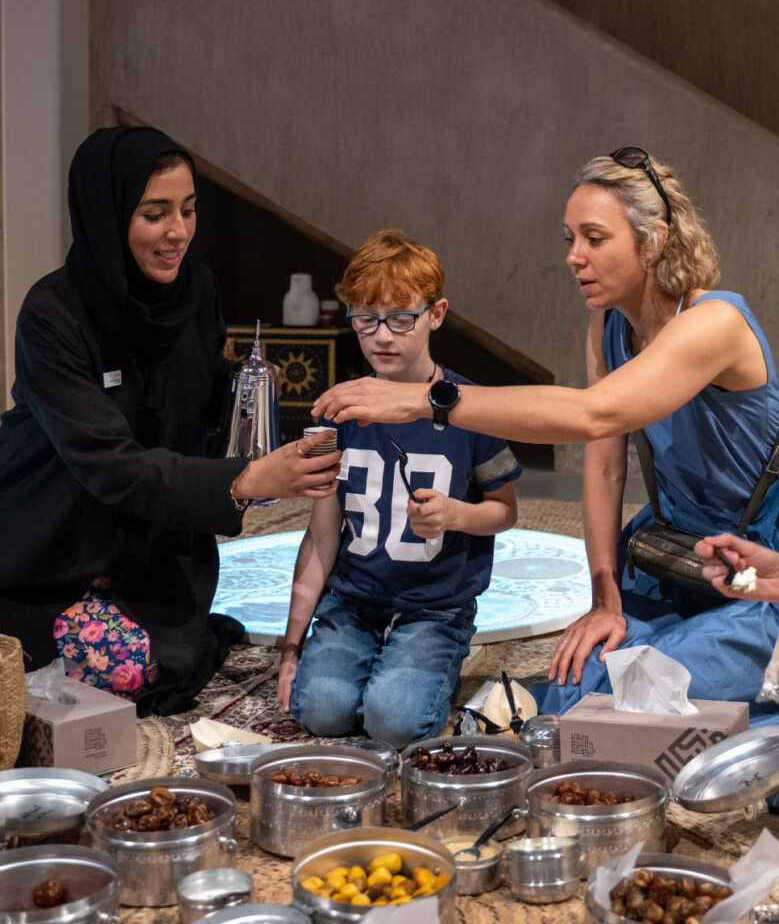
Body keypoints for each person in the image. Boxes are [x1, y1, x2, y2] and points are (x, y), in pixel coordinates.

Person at [312, 149, 779, 726]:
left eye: (594, 238)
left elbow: (593, 415)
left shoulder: (716, 322)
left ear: (653, 240)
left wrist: (426, 400)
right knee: (567, 690)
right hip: (668, 555)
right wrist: (603, 597)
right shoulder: (610, 321)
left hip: (757, 568)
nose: (574, 258)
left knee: (637, 700)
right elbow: (605, 467)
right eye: (569, 239)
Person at [0, 125, 341, 716]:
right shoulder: (52, 314)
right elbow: (108, 464)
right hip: (51, 541)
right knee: (125, 674)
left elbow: (196, 384)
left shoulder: (194, 290)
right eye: (155, 214)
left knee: (160, 663)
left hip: (152, 542)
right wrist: (241, 483)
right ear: (108, 216)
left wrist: (247, 385)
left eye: (187, 210)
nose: (178, 232)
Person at [278, 230, 520, 748]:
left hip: (435, 603)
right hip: (354, 600)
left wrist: (456, 513)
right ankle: (370, 661)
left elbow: (504, 511)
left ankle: (435, 659)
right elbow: (321, 537)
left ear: (436, 313)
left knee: (394, 722)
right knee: (320, 711)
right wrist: (291, 647)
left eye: (401, 318)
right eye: (366, 318)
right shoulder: (337, 411)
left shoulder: (470, 408)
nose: (382, 336)